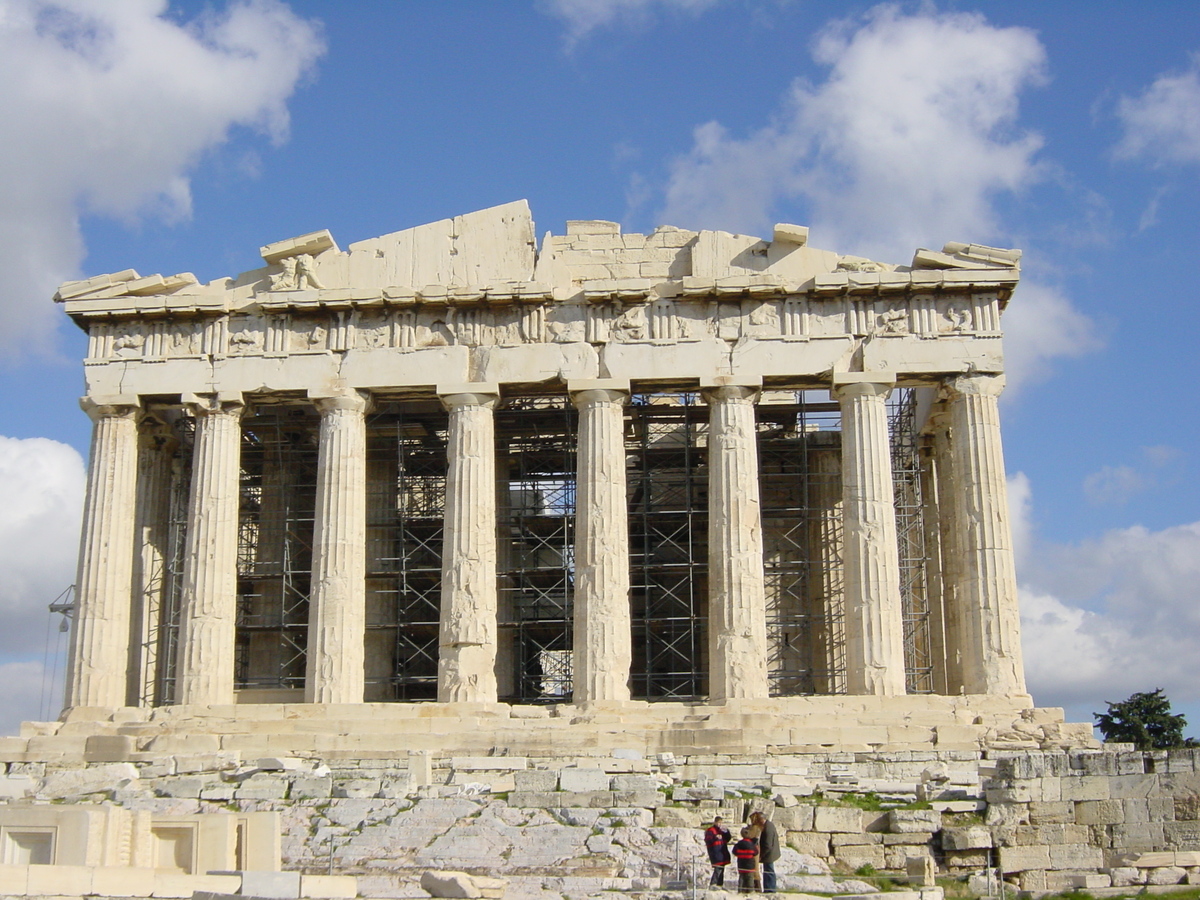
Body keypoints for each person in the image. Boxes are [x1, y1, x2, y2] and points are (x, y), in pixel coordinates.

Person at [750, 811, 780, 893]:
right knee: (768, 871)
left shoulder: (767, 829)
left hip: (769, 854)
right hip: (771, 852)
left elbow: (767, 845)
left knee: (769, 871)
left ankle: (770, 889)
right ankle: (768, 888)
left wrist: (761, 856)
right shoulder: (769, 824)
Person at [704, 816, 732, 886]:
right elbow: (708, 840)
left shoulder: (722, 830)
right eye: (718, 823)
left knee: (722, 869)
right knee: (718, 868)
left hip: (723, 852)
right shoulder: (710, 830)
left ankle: (720, 884)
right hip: (715, 852)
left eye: (721, 823)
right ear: (715, 822)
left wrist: (726, 832)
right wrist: (715, 838)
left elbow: (728, 839)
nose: (719, 824)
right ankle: (713, 883)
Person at [732, 826, 760, 894]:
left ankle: (740, 890)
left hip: (741, 864)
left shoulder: (739, 844)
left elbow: (734, 852)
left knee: (741, 878)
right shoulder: (751, 844)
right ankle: (750, 890)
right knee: (750, 878)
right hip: (750, 865)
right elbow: (756, 852)